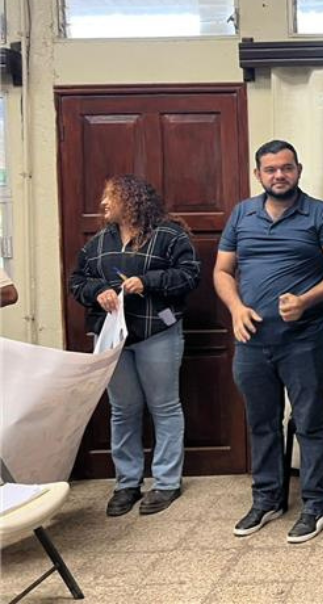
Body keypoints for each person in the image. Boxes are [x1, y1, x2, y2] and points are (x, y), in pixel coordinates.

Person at [214, 140, 323, 544]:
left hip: (303, 339)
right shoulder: (242, 214)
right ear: (258, 174)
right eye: (271, 169)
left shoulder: (321, 214)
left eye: (287, 167)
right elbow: (223, 271)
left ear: (298, 170)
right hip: (252, 340)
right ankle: (267, 500)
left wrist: (306, 300)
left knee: (310, 421)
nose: (280, 175)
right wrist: (236, 309)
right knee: (262, 422)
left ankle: (317, 503)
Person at [69, 175, 200, 517]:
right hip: (113, 337)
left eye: (110, 196)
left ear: (131, 199)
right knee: (122, 409)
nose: (103, 203)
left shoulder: (169, 236)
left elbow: (190, 275)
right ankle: (127, 483)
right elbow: (77, 281)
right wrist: (98, 291)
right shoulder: (99, 242)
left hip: (158, 332)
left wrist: (148, 281)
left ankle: (167, 483)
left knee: (164, 406)